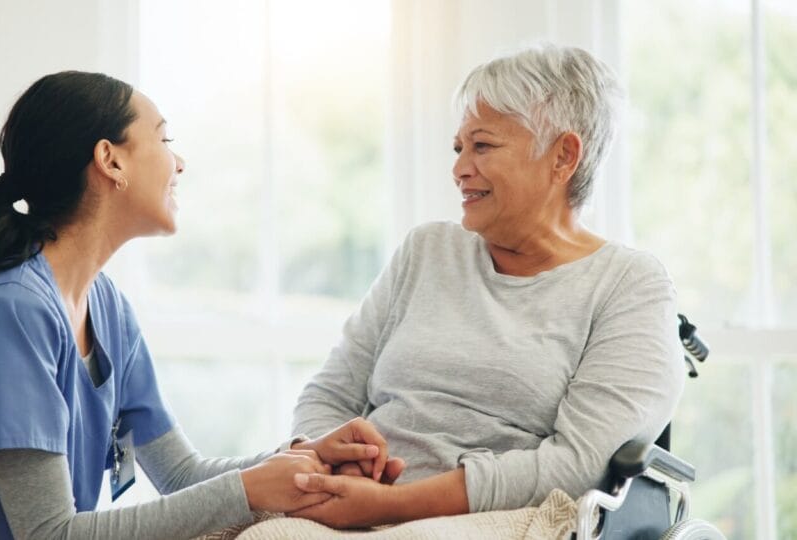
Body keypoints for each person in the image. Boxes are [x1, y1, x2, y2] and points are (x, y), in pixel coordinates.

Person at [0, 71, 395, 540]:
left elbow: (180, 474)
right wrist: (251, 491)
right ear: (110, 160)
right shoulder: (10, 310)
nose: (180, 162)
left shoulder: (108, 309)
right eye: (165, 140)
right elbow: (48, 533)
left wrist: (301, 459)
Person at [286, 45, 685, 528]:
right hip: (352, 503)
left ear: (563, 156)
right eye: (459, 148)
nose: (459, 168)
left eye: (482, 146)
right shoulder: (426, 252)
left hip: (501, 518)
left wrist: (392, 505)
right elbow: (328, 394)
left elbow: (578, 463)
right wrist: (331, 457)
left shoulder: (629, 286)